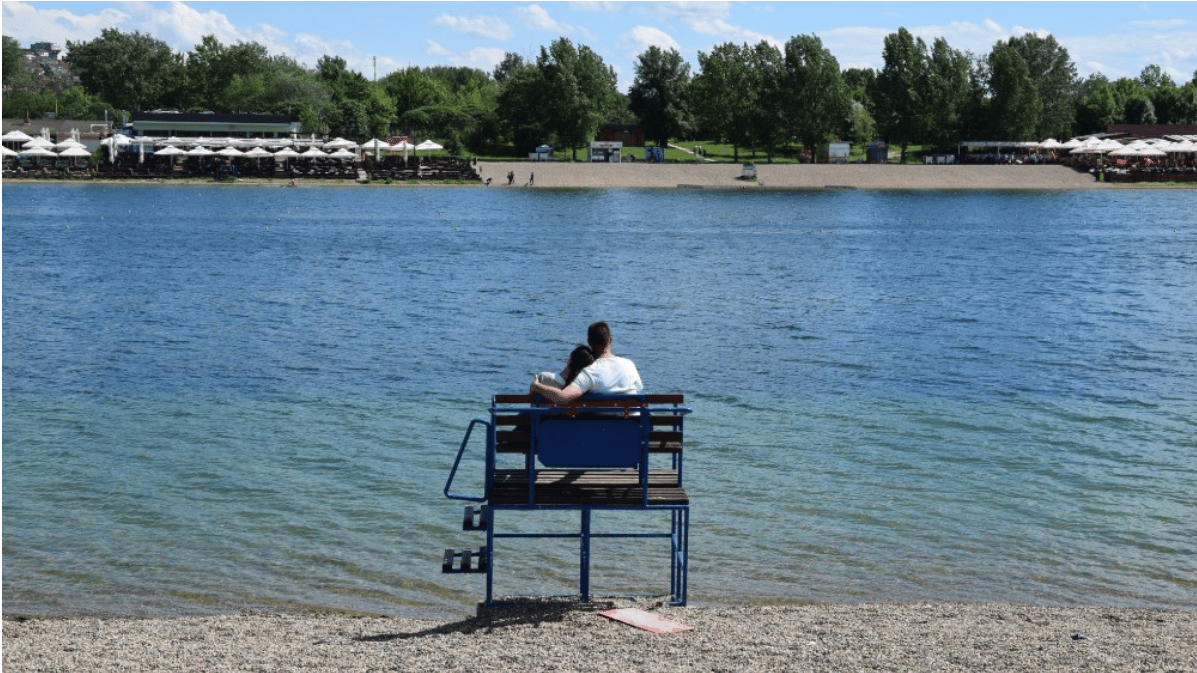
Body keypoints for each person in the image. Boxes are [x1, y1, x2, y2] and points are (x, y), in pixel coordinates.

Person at [530, 321, 642, 404]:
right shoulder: (629, 365)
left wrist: (537, 386)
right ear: (610, 340)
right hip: (635, 422)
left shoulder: (590, 371)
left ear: (589, 342)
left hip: (606, 425)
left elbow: (563, 397)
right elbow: (638, 390)